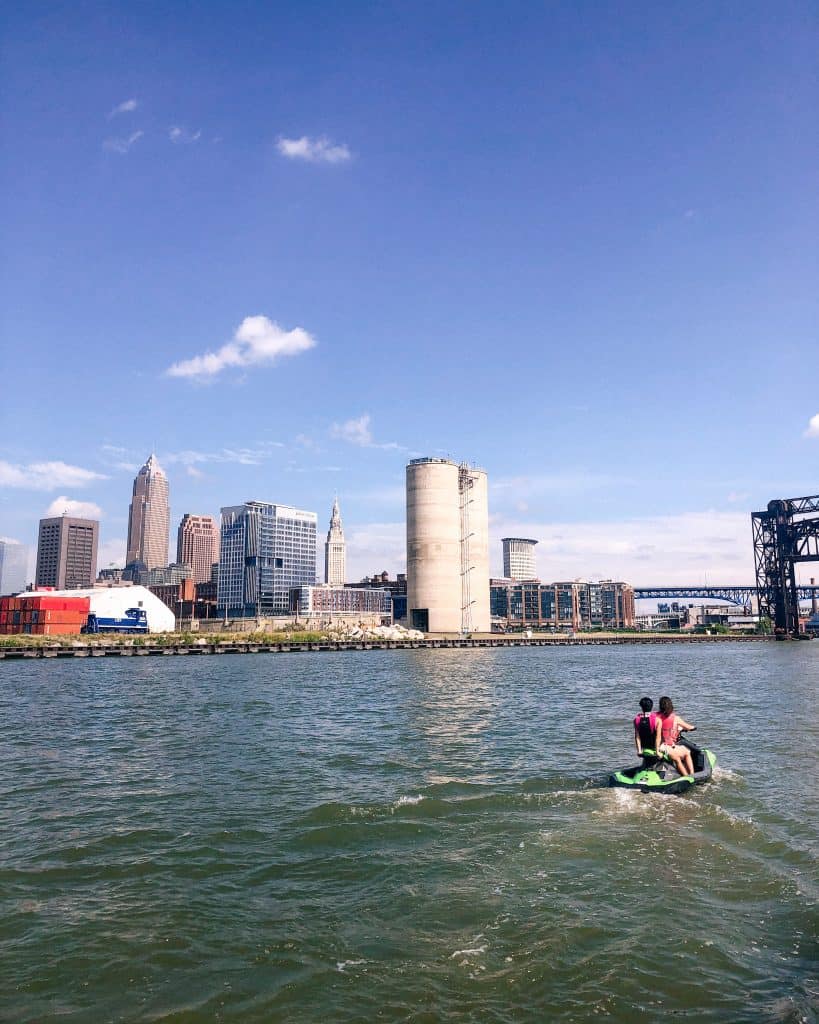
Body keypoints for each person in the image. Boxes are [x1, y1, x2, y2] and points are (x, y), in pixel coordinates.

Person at [656, 696, 695, 777]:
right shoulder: (675, 718)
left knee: (678, 755)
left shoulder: (655, 717)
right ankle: (691, 776)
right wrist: (693, 728)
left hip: (657, 745)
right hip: (666, 746)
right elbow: (689, 727)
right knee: (687, 752)